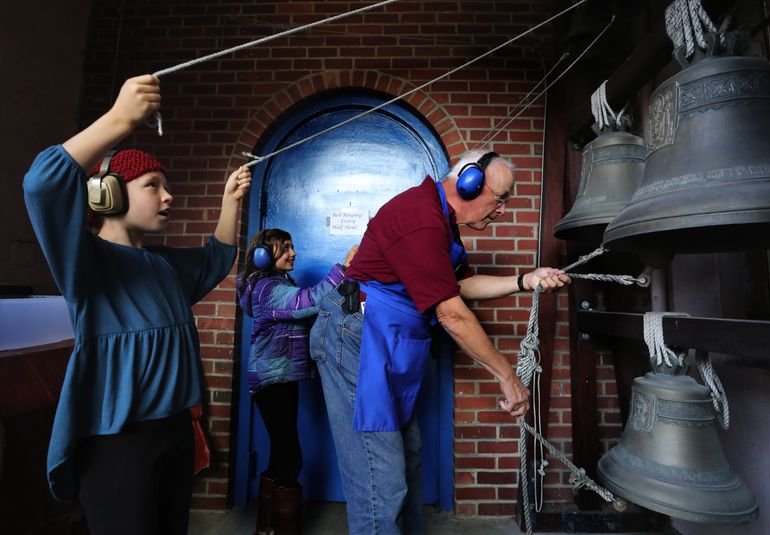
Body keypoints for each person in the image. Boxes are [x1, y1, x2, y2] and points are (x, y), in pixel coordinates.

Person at [22, 74, 251, 535]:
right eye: (152, 184)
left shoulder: (163, 265)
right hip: (118, 443)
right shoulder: (86, 263)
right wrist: (119, 119)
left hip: (174, 433)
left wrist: (229, 202)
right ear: (107, 194)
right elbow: (42, 184)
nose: (168, 196)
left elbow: (216, 259)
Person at [309, 149, 571, 534]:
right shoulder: (420, 217)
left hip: (388, 342)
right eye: (501, 198)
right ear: (469, 184)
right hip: (356, 339)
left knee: (407, 458)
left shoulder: (442, 224)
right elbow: (451, 312)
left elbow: (458, 286)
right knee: (379, 478)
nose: (503, 210)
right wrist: (507, 376)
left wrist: (525, 280)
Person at [237, 229, 357, 535]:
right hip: (272, 380)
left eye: (293, 246)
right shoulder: (266, 287)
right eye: (285, 248)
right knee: (290, 457)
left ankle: (267, 528)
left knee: (281, 453)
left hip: (281, 377)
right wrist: (342, 269)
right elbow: (306, 301)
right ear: (264, 256)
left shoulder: (277, 283)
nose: (294, 253)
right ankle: (281, 528)